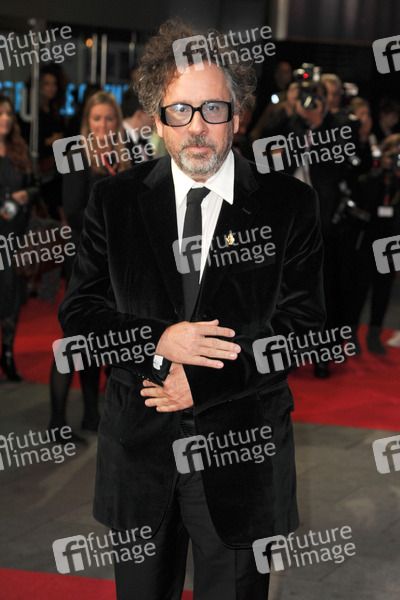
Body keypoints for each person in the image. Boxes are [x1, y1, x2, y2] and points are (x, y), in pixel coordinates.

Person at [58, 19, 325, 600]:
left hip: (243, 464)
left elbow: (302, 329)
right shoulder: (115, 201)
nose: (197, 126)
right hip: (139, 460)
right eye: (180, 110)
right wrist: (159, 343)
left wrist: (201, 380)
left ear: (238, 114)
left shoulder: (289, 205)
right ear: (157, 120)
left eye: (213, 108)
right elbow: (79, 314)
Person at [49, 91, 131, 438]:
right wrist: (112, 222)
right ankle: (56, 422)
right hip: (84, 261)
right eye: (96, 118)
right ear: (88, 122)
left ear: (117, 122)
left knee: (98, 340)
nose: (103, 125)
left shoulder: (124, 157)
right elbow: (73, 212)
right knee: (73, 339)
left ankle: (91, 414)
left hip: (115, 266)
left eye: (109, 118)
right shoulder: (76, 155)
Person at [0, 95, 38, 381]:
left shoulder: (19, 149)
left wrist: (26, 195)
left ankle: (8, 355)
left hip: (14, 239)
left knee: (11, 299)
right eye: (0, 113)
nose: (5, 118)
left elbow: (36, 186)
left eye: (8, 114)